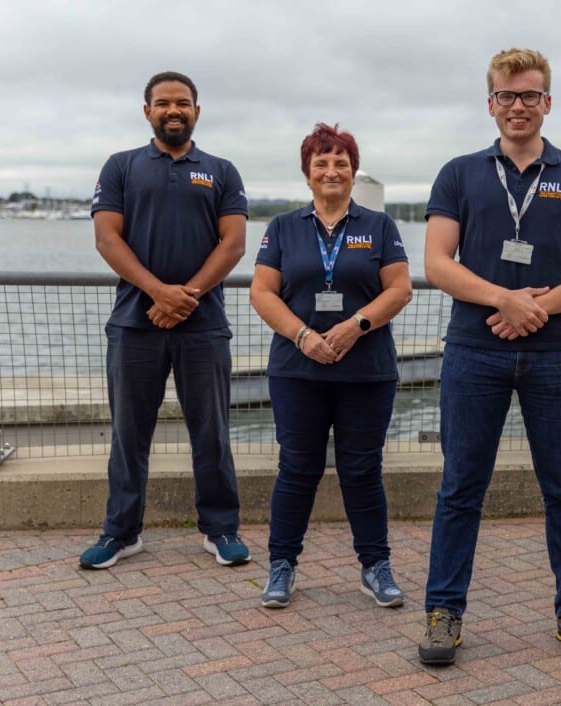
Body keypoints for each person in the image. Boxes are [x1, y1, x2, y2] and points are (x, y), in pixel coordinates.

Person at [418, 48, 561, 666]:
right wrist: (505, 299)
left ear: (547, 103)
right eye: (506, 97)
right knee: (460, 487)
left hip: (556, 353)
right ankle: (444, 612)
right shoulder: (459, 173)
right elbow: (436, 263)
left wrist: (541, 308)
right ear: (491, 104)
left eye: (529, 96)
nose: (517, 107)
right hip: (475, 351)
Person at [80, 71, 250, 570]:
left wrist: (188, 295)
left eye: (183, 103)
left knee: (212, 431)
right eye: (163, 103)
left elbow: (234, 243)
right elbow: (107, 239)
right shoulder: (121, 167)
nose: (173, 110)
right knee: (129, 434)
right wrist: (158, 293)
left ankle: (220, 530)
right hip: (135, 323)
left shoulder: (221, 170)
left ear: (197, 110)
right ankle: (122, 532)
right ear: (147, 110)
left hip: (204, 325)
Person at [249, 123, 412, 609]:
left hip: (365, 371)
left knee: (362, 470)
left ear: (353, 171)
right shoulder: (281, 228)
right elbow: (262, 292)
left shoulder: (379, 226)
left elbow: (399, 289)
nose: (331, 170)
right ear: (307, 174)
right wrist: (302, 335)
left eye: (340, 161)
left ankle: (375, 566)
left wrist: (354, 326)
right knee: (297, 469)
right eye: (321, 162)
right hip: (298, 370)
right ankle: (282, 566)